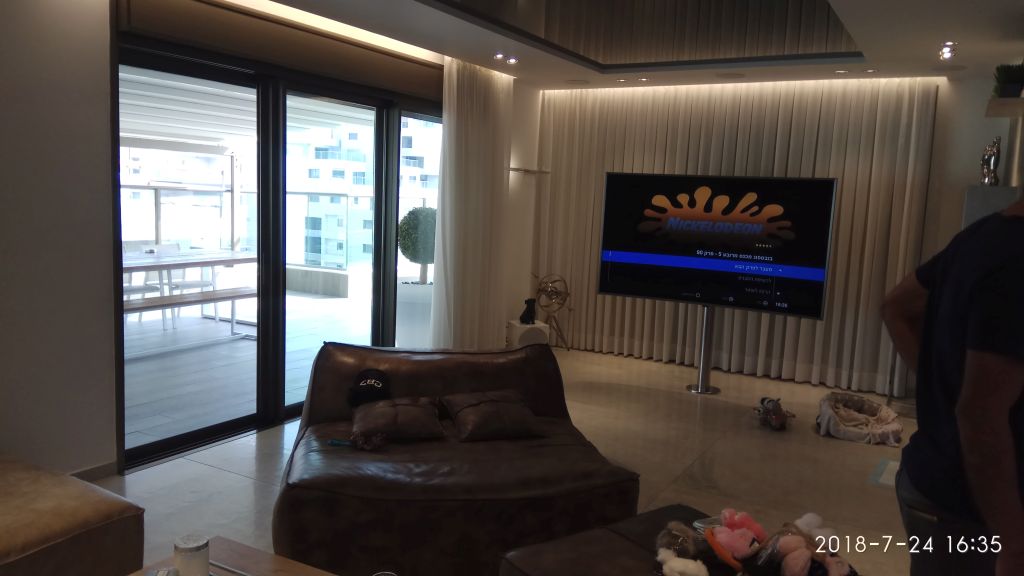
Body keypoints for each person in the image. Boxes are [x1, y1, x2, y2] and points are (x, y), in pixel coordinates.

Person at [882, 199, 1024, 576]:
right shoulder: (1015, 262)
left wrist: (941, 389)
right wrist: (1013, 546)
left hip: (937, 484)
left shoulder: (980, 237)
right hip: (966, 508)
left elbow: (897, 306)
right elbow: (980, 416)